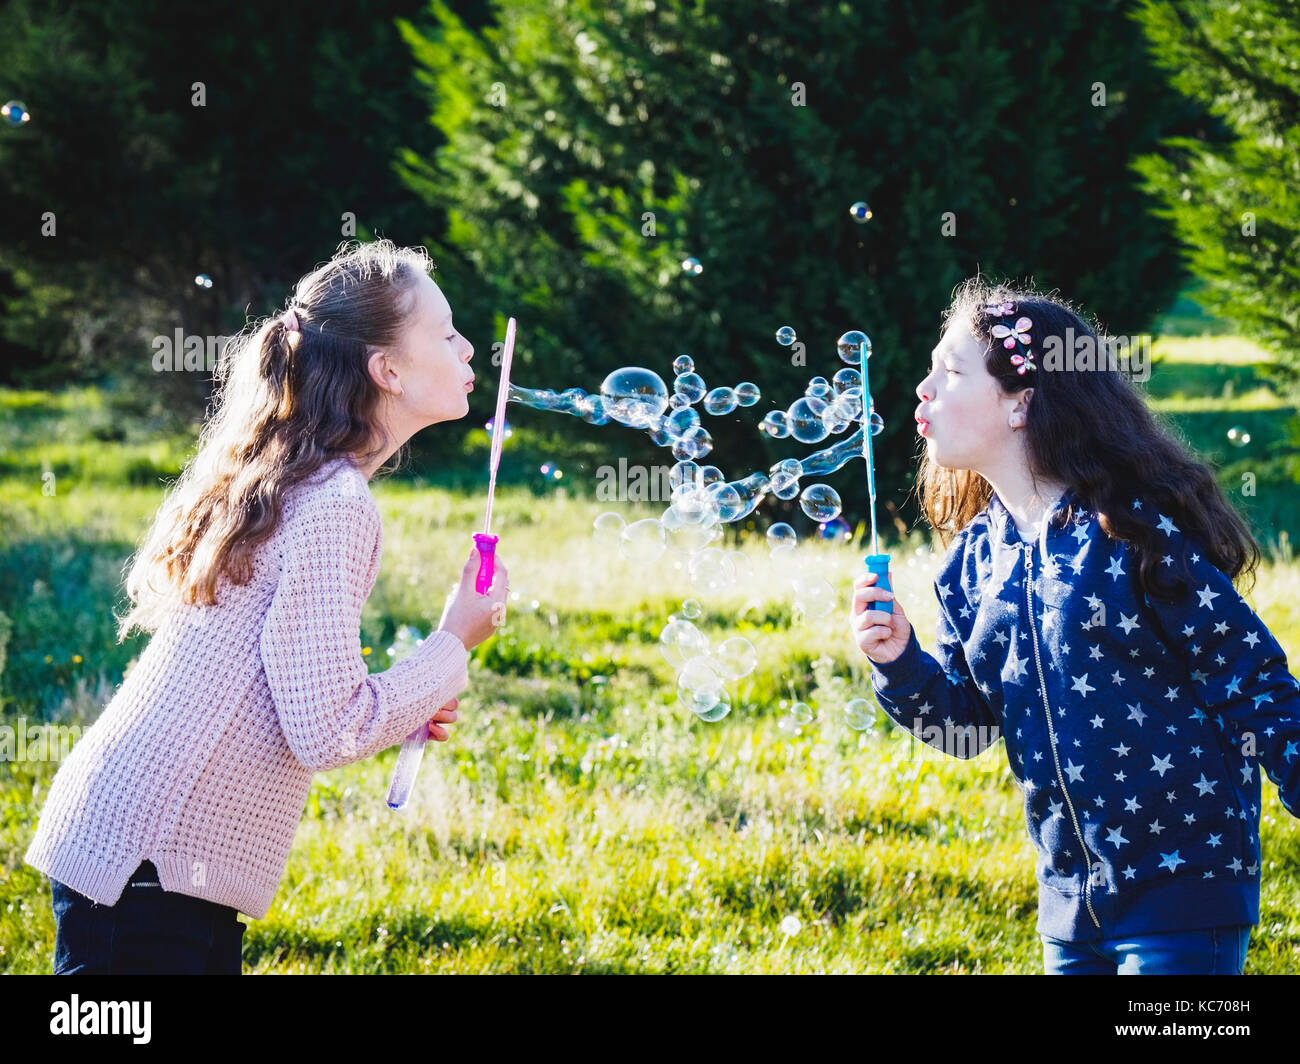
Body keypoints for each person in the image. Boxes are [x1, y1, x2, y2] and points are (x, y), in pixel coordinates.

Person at [25, 239, 508, 974]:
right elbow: (331, 728)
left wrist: (411, 695)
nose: (468, 344)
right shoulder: (338, 504)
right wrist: (454, 643)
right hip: (152, 870)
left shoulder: (306, 479)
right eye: (446, 332)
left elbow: (289, 683)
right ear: (389, 371)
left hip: (143, 852)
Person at [852, 278, 1300, 974]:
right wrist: (901, 662)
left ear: (1022, 402)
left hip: (1182, 896)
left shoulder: (1133, 535)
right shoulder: (971, 565)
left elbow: (1248, 676)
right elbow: (966, 728)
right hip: (1069, 910)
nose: (923, 388)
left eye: (951, 371)